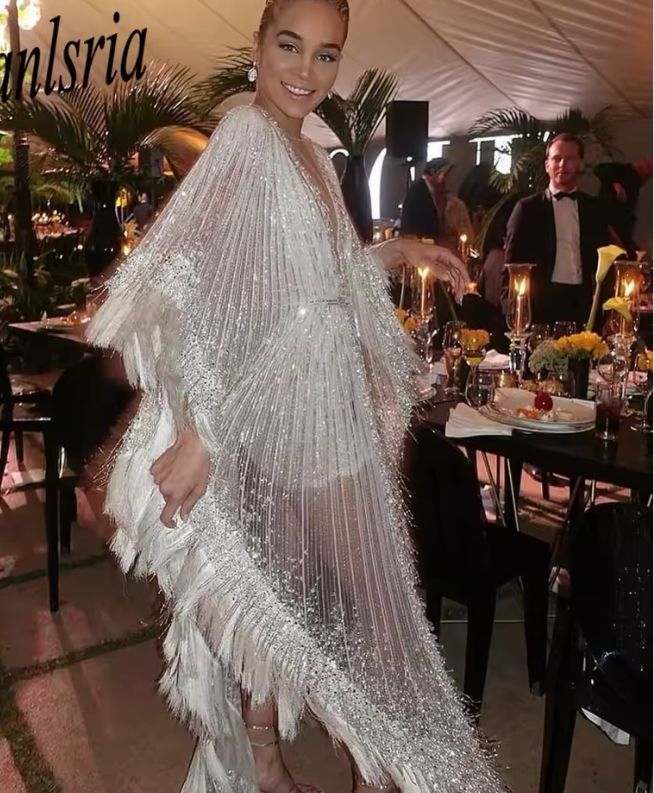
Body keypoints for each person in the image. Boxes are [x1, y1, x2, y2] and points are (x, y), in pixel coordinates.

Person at [87, 2, 504, 792]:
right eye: (290, 45)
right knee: (374, 616)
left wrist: (399, 248)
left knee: (285, 593)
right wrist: (202, 430)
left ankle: (269, 761)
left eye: (326, 54)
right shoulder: (247, 135)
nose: (305, 71)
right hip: (282, 415)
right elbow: (187, 282)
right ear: (258, 45)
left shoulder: (308, 149)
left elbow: (322, 281)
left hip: (315, 408)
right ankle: (379, 773)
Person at [504, 133, 611, 329]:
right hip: (541, 304)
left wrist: (607, 309)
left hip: (584, 303)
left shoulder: (595, 209)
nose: (562, 164)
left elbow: (604, 260)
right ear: (547, 165)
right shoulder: (527, 209)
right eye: (557, 158)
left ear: (580, 164)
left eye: (569, 159)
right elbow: (512, 265)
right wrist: (514, 310)